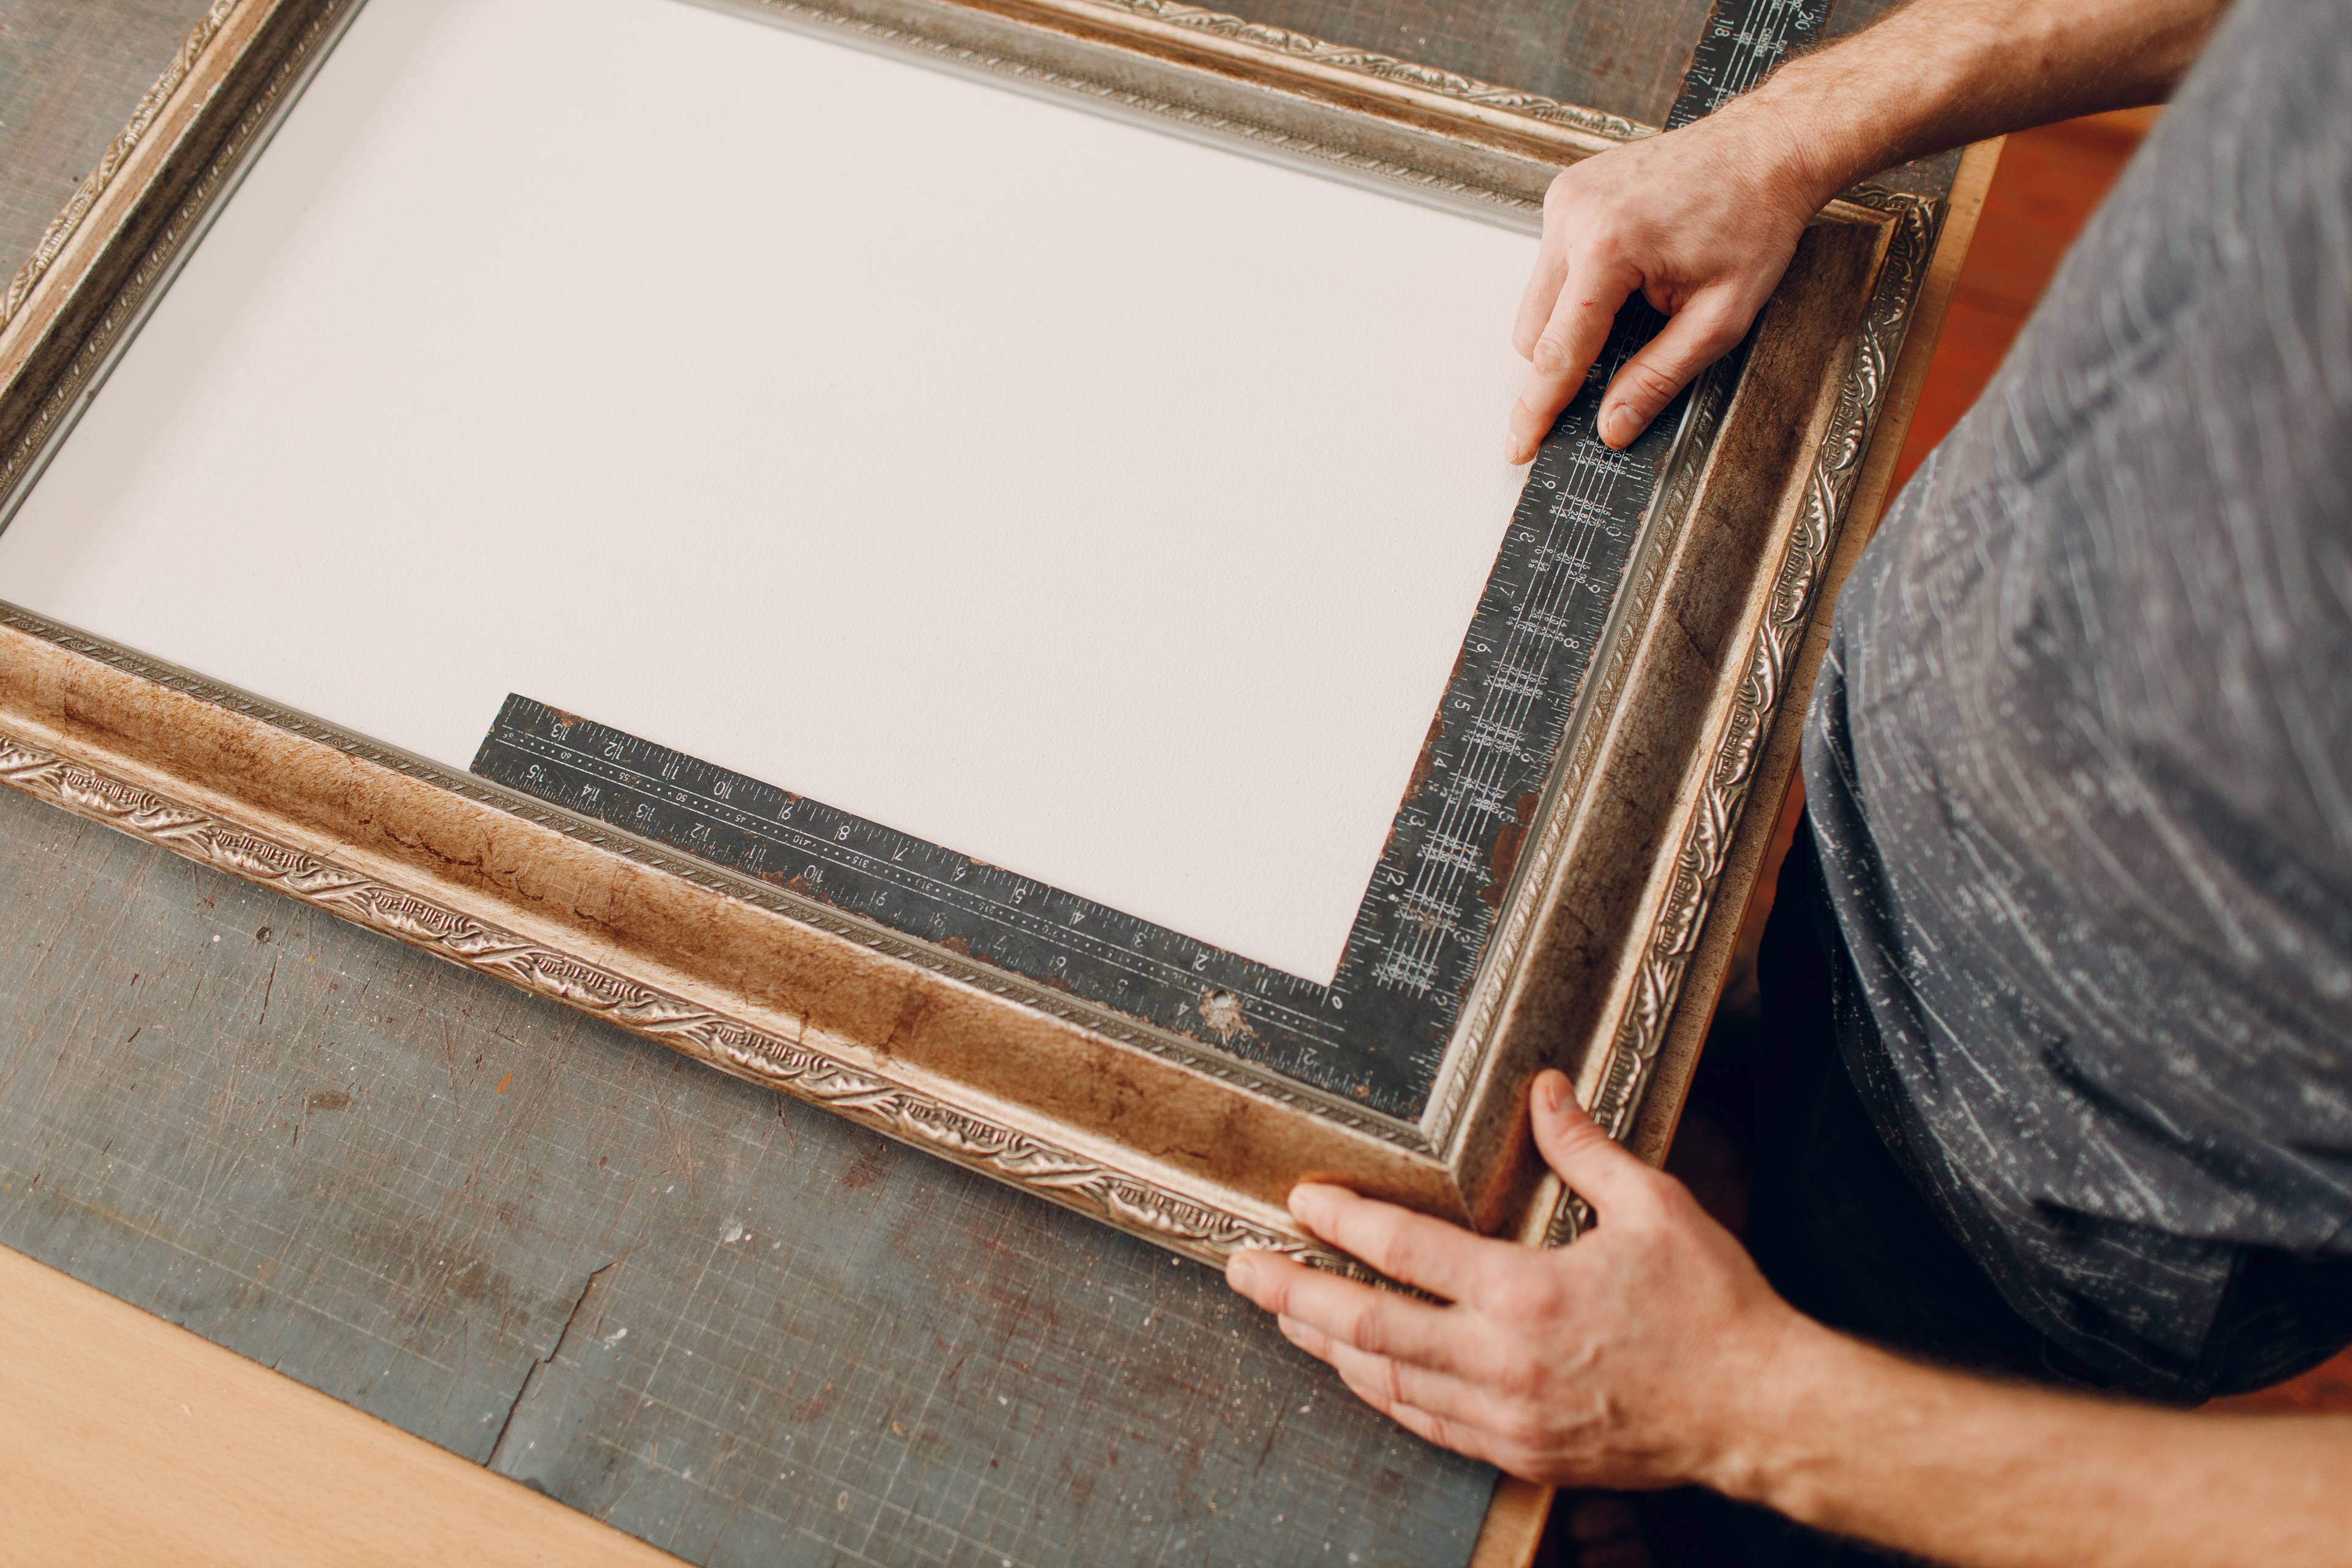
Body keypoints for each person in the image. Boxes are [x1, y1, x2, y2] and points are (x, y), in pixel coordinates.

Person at [1223, 0, 2352, 1562]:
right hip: (1894, 806)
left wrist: (1746, 1409)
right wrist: (1805, 123)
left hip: (2096, 1184)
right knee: (1761, 1109)